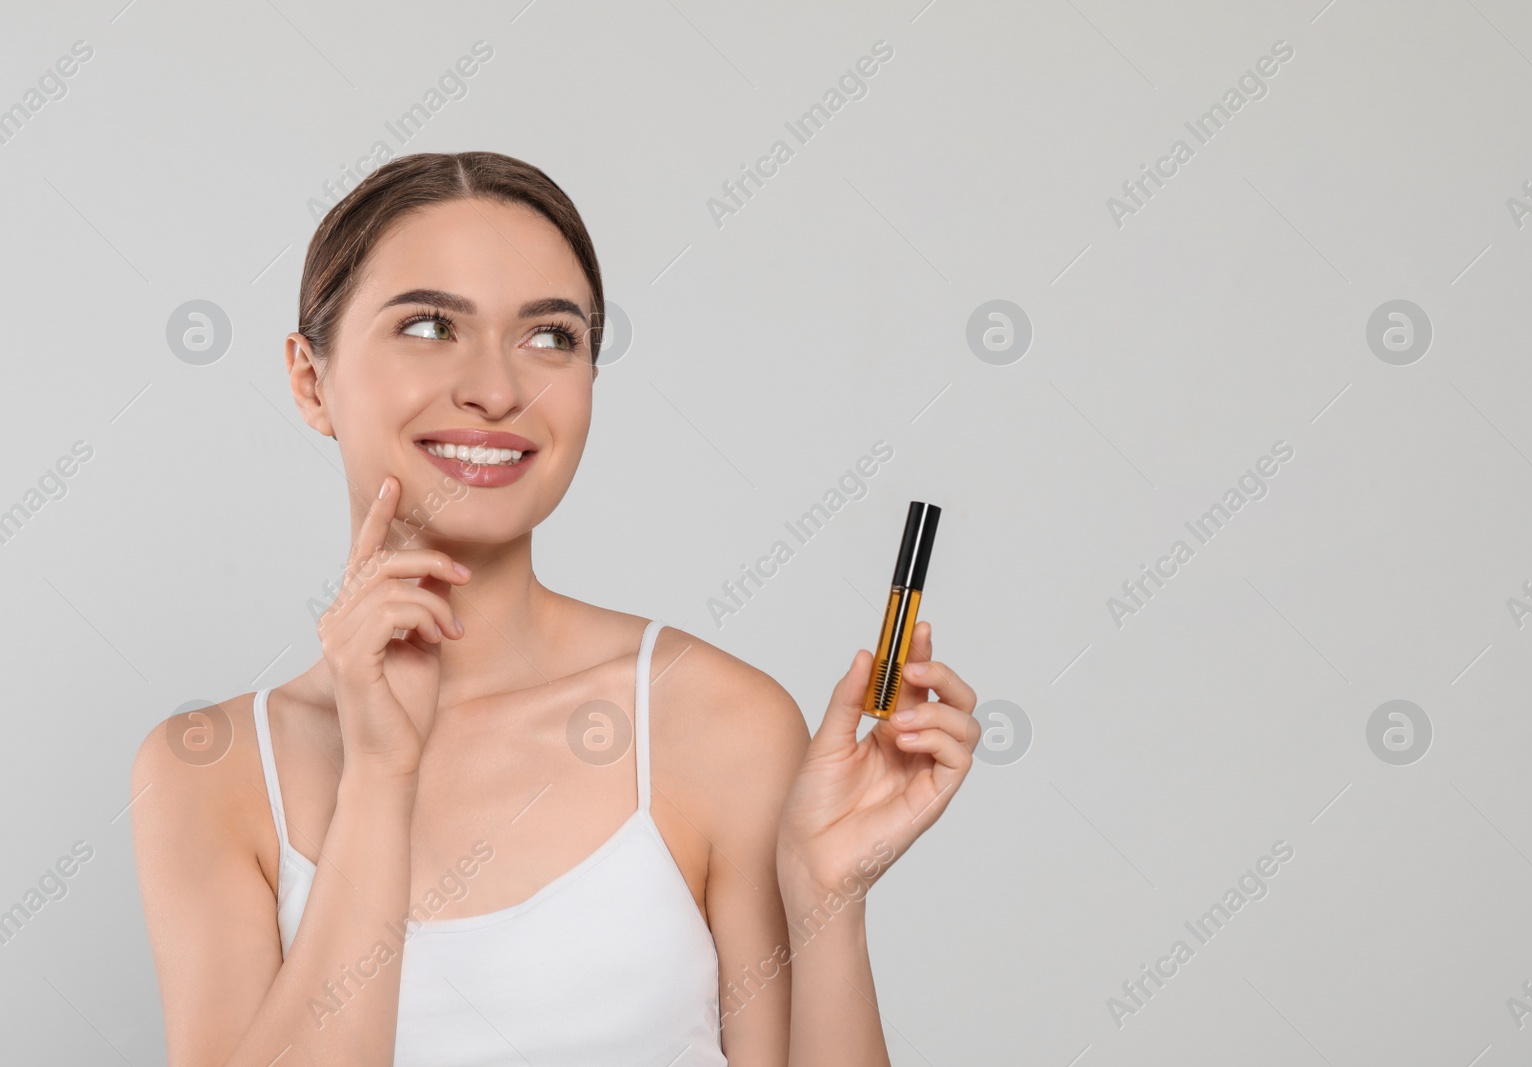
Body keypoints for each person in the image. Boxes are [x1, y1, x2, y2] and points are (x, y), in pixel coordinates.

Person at [130, 150, 979, 1066]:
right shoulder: (206, 775)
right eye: (427, 324)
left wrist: (826, 900)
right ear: (310, 380)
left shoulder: (717, 722)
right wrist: (378, 779)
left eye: (550, 337)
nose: (498, 389)